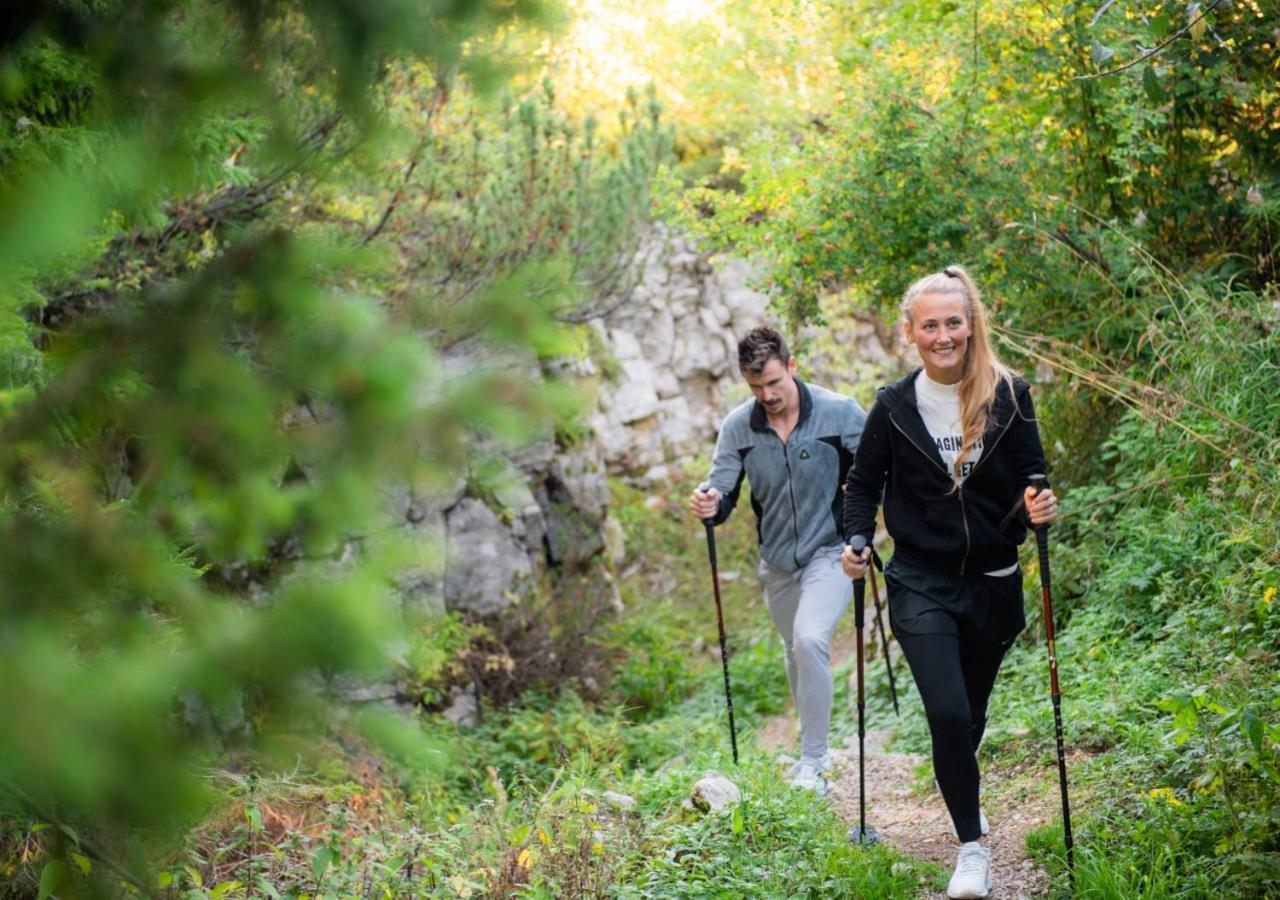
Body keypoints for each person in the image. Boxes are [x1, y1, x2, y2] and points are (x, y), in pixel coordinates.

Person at [840, 265, 1058, 900]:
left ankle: (959, 780)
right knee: (947, 710)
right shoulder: (892, 406)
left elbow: (1032, 478)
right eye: (929, 325)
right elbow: (861, 487)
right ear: (910, 333)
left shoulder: (1009, 395)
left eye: (953, 323)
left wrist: (1039, 505)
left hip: (993, 581)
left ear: (970, 325)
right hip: (920, 581)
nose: (943, 335)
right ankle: (971, 847)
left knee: (972, 715)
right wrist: (857, 541)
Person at [689, 326, 867, 796]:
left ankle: (814, 761)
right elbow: (722, 490)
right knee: (793, 649)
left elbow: (879, 469)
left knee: (810, 641)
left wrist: (861, 524)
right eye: (755, 387)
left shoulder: (839, 412)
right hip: (777, 563)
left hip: (830, 552)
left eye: (773, 383)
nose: (766, 396)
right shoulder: (738, 428)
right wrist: (710, 503)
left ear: (791, 366)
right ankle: (811, 744)